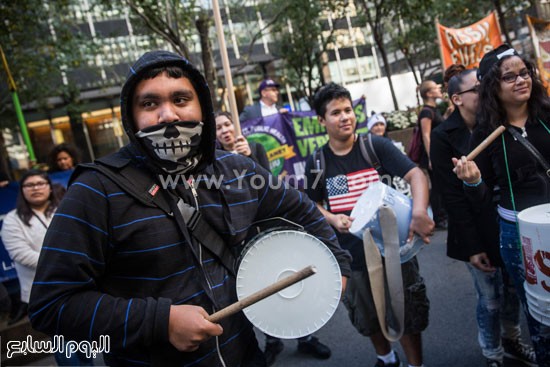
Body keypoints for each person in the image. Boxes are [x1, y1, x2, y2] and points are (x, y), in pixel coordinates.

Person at [28, 50, 352, 367]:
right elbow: (52, 304)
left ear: (203, 108)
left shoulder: (239, 172)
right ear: (130, 115)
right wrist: (160, 320)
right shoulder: (95, 190)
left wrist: (338, 264)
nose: (168, 115)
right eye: (149, 103)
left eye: (181, 100)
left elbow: (303, 210)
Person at [305, 83, 434, 367]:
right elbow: (312, 203)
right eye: (335, 112)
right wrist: (332, 218)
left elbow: (416, 175)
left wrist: (420, 211)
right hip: (351, 256)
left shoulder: (376, 147)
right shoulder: (316, 161)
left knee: (406, 315)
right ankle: (386, 358)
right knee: (367, 316)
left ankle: (415, 364)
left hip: (393, 252)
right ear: (321, 120)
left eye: (348, 110)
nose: (345, 117)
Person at [431, 64, 536, 367]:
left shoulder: (497, 122)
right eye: (474, 89)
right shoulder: (442, 136)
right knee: (490, 299)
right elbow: (452, 197)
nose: (482, 92)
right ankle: (492, 354)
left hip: (505, 221)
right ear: (457, 99)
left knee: (514, 290)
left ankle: (512, 340)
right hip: (475, 230)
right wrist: (473, 246)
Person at [454, 44, 550, 366]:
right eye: (509, 77)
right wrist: (472, 180)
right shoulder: (485, 133)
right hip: (519, 234)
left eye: (524, 73)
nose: (521, 80)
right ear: (493, 87)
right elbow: (481, 199)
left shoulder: (547, 114)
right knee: (541, 313)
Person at [215, 112, 332, 364]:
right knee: (261, 286)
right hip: (243, 236)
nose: (224, 130)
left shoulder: (254, 148)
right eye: (218, 128)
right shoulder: (212, 161)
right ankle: (272, 339)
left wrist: (248, 159)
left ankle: (306, 336)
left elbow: (267, 186)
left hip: (270, 228)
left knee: (289, 280)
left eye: (227, 124)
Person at [1, 170, 58, 323]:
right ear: (22, 190)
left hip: (79, 285)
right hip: (42, 293)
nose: (35, 188)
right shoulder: (12, 219)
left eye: (40, 183)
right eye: (30, 185)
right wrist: (64, 263)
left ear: (50, 187)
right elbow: (21, 254)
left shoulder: (65, 210)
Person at [417, 80, 448, 229]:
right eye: (436, 88)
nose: (439, 89)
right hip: (432, 154)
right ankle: (439, 217)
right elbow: (426, 135)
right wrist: (430, 157)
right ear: (428, 94)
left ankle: (442, 216)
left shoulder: (433, 109)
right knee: (436, 186)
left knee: (441, 184)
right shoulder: (426, 112)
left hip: (438, 153)